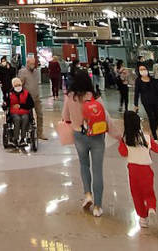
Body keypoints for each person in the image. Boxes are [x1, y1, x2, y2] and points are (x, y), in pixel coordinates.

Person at [62, 70, 108, 217]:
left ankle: (87, 194)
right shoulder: (93, 96)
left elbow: (65, 116)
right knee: (97, 170)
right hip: (96, 136)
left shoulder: (70, 96)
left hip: (79, 135)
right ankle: (98, 206)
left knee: (84, 165)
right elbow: (105, 116)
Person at [118, 110, 158, 227]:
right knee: (149, 193)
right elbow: (157, 149)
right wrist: (153, 140)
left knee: (137, 194)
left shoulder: (126, 139)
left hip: (133, 169)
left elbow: (122, 153)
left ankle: (143, 218)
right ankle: (151, 208)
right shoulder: (146, 137)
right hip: (146, 169)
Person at [18, 56, 47, 140]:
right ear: (27, 63)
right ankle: (27, 132)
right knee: (27, 117)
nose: (33, 65)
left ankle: (40, 133)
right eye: (31, 63)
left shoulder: (36, 72)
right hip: (27, 99)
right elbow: (20, 85)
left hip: (36, 97)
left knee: (40, 115)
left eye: (34, 63)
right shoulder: (22, 72)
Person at [133, 63, 158, 141]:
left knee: (157, 118)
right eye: (141, 70)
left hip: (155, 100)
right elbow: (136, 92)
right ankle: (154, 134)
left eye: (144, 69)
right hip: (146, 101)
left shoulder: (153, 80)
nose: (143, 71)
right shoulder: (138, 81)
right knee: (151, 117)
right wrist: (136, 104)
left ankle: (154, 129)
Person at [6, 76, 35, 148]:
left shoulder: (26, 93)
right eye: (16, 85)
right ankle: (15, 139)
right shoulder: (9, 94)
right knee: (17, 119)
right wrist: (5, 105)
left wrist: (20, 106)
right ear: (13, 86)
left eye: (19, 85)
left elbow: (31, 104)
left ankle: (22, 139)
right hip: (14, 112)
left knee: (25, 119)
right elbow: (6, 104)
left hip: (25, 111)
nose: (18, 87)